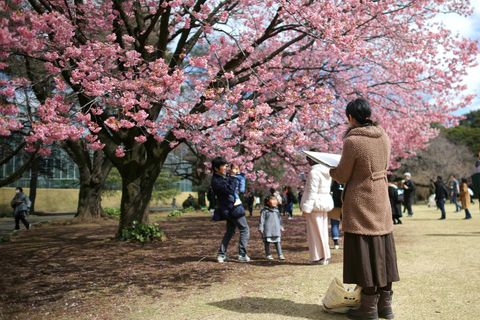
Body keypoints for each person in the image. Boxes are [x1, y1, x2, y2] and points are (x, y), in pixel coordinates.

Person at [330, 98, 399, 320]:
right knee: (382, 248)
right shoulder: (384, 136)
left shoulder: (353, 141)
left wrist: (330, 170)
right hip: (380, 197)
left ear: (350, 117)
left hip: (361, 201)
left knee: (364, 251)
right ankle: (385, 307)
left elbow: (342, 175)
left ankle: (368, 308)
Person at [210, 157, 250, 263]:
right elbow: (230, 190)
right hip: (232, 209)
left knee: (230, 231)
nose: (226, 167)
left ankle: (221, 254)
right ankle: (242, 254)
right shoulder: (216, 181)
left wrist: (236, 176)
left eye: (226, 165)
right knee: (244, 229)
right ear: (216, 168)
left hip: (229, 209)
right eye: (223, 165)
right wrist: (232, 176)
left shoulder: (222, 177)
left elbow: (238, 188)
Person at [300, 155, 334, 265]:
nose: (308, 162)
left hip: (315, 204)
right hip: (323, 203)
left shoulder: (314, 172)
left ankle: (319, 257)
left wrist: (306, 208)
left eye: (308, 159)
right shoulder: (327, 172)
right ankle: (324, 255)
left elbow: (312, 192)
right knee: (322, 231)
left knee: (315, 232)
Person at [259, 195, 285, 261]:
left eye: (275, 200)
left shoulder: (277, 211)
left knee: (277, 242)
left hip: (276, 230)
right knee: (267, 243)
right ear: (267, 202)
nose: (274, 201)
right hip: (268, 230)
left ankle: (280, 254)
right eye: (272, 200)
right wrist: (261, 227)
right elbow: (262, 220)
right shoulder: (264, 211)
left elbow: (279, 219)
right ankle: (268, 254)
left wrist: (281, 226)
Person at [329, 180, 343, 250]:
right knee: (347, 224)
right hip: (345, 206)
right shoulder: (346, 182)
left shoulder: (332, 185)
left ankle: (336, 242)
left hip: (335, 205)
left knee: (334, 224)